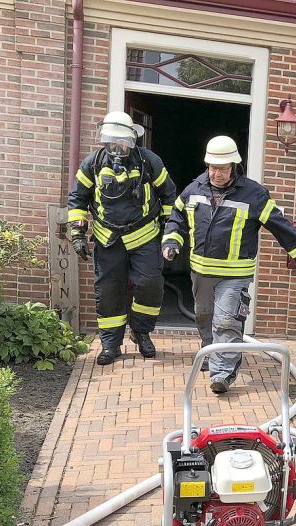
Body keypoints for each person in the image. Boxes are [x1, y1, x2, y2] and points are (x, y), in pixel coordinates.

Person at [162, 136, 296, 394]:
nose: (216, 173)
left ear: (234, 166)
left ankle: (221, 374)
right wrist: (171, 243)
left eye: (222, 168)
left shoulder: (253, 194)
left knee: (226, 321)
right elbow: (176, 218)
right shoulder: (194, 190)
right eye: (212, 167)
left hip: (235, 275)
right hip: (201, 271)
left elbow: (279, 224)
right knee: (204, 316)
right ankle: (210, 353)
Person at [67, 111, 177, 365]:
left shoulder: (150, 162)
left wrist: (169, 232)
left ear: (132, 141)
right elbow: (77, 199)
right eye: (111, 142)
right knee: (108, 292)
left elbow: (170, 196)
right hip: (108, 238)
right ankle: (111, 344)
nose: (117, 148)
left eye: (122, 143)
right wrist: (77, 233)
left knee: (150, 285)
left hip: (144, 235)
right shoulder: (92, 164)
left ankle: (141, 332)